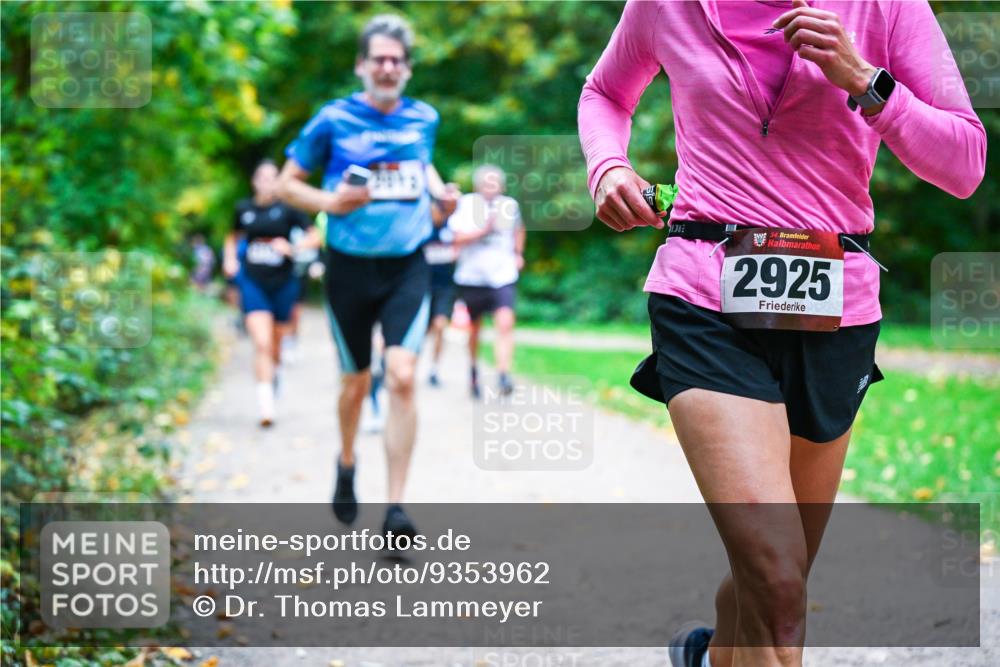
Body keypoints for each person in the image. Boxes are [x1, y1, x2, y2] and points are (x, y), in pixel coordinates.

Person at [579, 1, 985, 666]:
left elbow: (964, 164)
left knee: (764, 584)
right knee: (778, 580)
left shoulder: (885, 6)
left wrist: (865, 80)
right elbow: (605, 92)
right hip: (704, 293)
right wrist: (608, 167)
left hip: (837, 312)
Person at [277, 14, 459, 543]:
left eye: (396, 60)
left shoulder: (424, 117)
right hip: (349, 267)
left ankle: (396, 508)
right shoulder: (332, 119)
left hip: (407, 263)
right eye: (378, 58)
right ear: (361, 65)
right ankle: (348, 459)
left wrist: (441, 199)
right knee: (356, 383)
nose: (387, 66)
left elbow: (421, 171)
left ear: (407, 69)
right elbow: (288, 185)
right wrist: (330, 202)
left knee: (402, 375)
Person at [224, 159, 320, 428]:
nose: (267, 183)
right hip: (252, 281)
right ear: (254, 182)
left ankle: (274, 374)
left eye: (272, 178)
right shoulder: (244, 209)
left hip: (283, 282)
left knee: (276, 342)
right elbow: (232, 237)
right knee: (262, 342)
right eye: (262, 178)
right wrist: (230, 259)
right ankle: (266, 406)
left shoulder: (288, 210)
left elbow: (315, 236)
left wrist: (293, 246)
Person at [450, 165, 525, 398]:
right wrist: (483, 230)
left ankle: (504, 374)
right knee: (474, 330)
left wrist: (518, 253)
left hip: (502, 275)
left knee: (505, 323)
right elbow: (456, 238)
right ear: (478, 185)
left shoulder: (509, 206)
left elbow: (519, 229)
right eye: (486, 183)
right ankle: (473, 370)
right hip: (471, 276)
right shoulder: (466, 204)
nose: (490, 187)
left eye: (495, 183)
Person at [423, 199, 459, 387]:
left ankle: (434, 369)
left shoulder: (450, 229)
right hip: (421, 286)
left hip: (444, 287)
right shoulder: (420, 230)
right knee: (421, 331)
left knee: (440, 325)